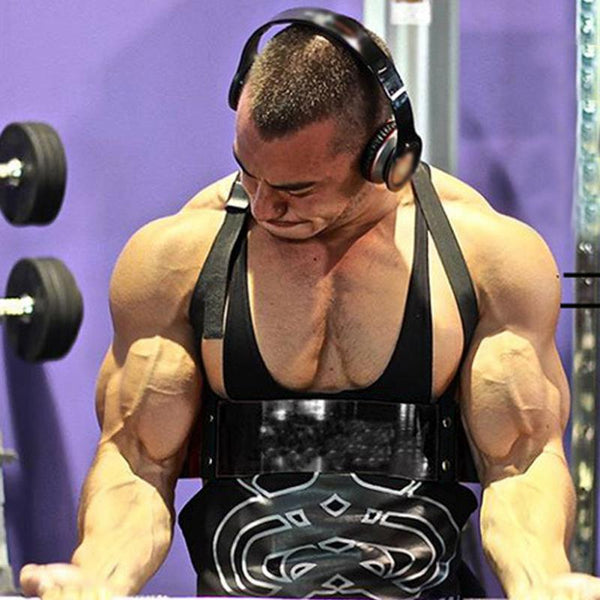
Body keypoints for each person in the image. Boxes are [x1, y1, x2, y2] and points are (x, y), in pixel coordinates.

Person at [17, 7, 600, 600]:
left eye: (296, 188)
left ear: (385, 157)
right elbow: (137, 460)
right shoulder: (175, 259)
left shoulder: (488, 259)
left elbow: (521, 463)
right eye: (248, 172)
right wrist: (97, 576)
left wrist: (541, 581)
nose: (264, 206)